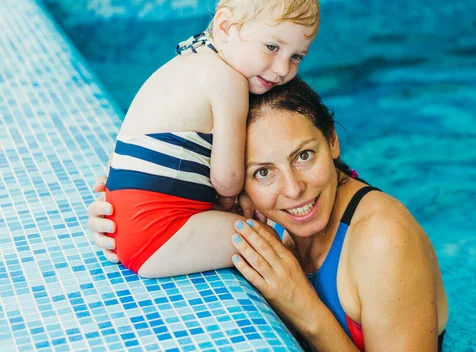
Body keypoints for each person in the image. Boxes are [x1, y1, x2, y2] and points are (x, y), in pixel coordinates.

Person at [89, 78, 449, 351]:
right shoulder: (248, 207)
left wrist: (302, 308)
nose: (293, 189)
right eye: (263, 172)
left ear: (332, 141)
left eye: (304, 156)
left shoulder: (382, 241)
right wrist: (119, 216)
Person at [101, 0, 319, 277]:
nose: (283, 68)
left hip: (118, 222)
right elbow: (226, 179)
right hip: (157, 232)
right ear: (226, 27)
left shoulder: (188, 61)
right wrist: (237, 198)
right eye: (272, 47)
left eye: (296, 56)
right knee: (265, 244)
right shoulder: (228, 80)